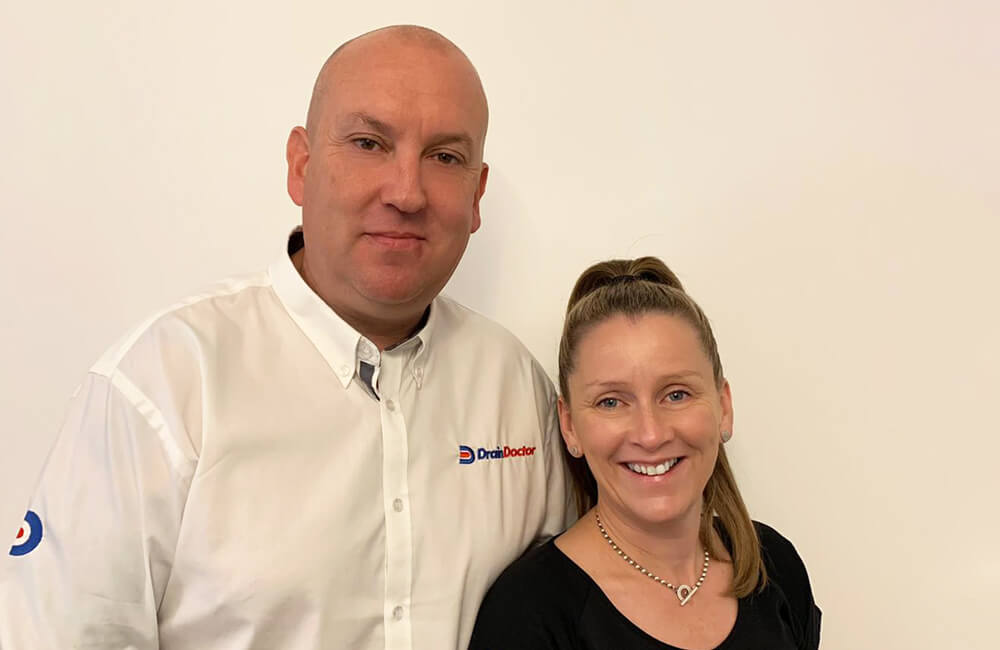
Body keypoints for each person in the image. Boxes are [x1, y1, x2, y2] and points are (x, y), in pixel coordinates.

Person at [0, 25, 572, 649]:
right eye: (368, 143)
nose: (406, 192)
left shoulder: (517, 390)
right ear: (301, 167)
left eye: (444, 157)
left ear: (476, 193)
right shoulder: (161, 385)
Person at [469, 257, 821, 649]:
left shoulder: (774, 565)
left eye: (676, 394)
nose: (650, 434)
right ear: (570, 425)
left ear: (724, 406)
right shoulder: (527, 613)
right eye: (611, 402)